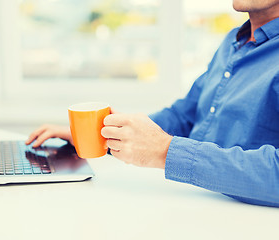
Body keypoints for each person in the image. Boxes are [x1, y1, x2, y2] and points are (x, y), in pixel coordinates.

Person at [25, 0, 279, 207]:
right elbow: (185, 116)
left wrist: (165, 151)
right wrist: (102, 136)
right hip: (200, 202)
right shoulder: (233, 42)